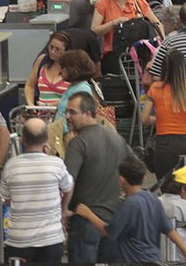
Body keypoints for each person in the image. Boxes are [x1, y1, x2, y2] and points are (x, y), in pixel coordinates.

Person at [73, 157, 186, 262]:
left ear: (121, 180)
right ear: (142, 178)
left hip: (133, 260)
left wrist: (89, 214)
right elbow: (170, 230)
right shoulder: (153, 199)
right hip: (153, 259)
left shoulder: (129, 204)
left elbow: (109, 232)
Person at [63, 91, 137, 262]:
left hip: (84, 222)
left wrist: (64, 211)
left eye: (72, 112)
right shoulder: (117, 138)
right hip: (112, 222)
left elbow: (67, 182)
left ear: (88, 114)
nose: (67, 116)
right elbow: (136, 169)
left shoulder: (78, 143)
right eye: (67, 112)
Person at [0, 118, 74, 264]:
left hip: (18, 242)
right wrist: (64, 209)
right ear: (47, 138)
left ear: (23, 139)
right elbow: (69, 187)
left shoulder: (11, 166)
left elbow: (6, 199)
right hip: (50, 240)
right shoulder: (56, 164)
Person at [141, 50, 186, 180]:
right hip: (185, 143)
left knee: (166, 189)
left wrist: (159, 119)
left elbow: (144, 119)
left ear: (164, 67)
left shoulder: (155, 88)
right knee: (184, 186)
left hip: (163, 145)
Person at [24, 31, 72, 107]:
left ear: (66, 51)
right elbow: (30, 85)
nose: (53, 51)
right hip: (41, 113)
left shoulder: (72, 67)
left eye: (57, 49)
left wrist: (49, 105)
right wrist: (31, 104)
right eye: (51, 47)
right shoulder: (41, 61)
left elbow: (73, 97)